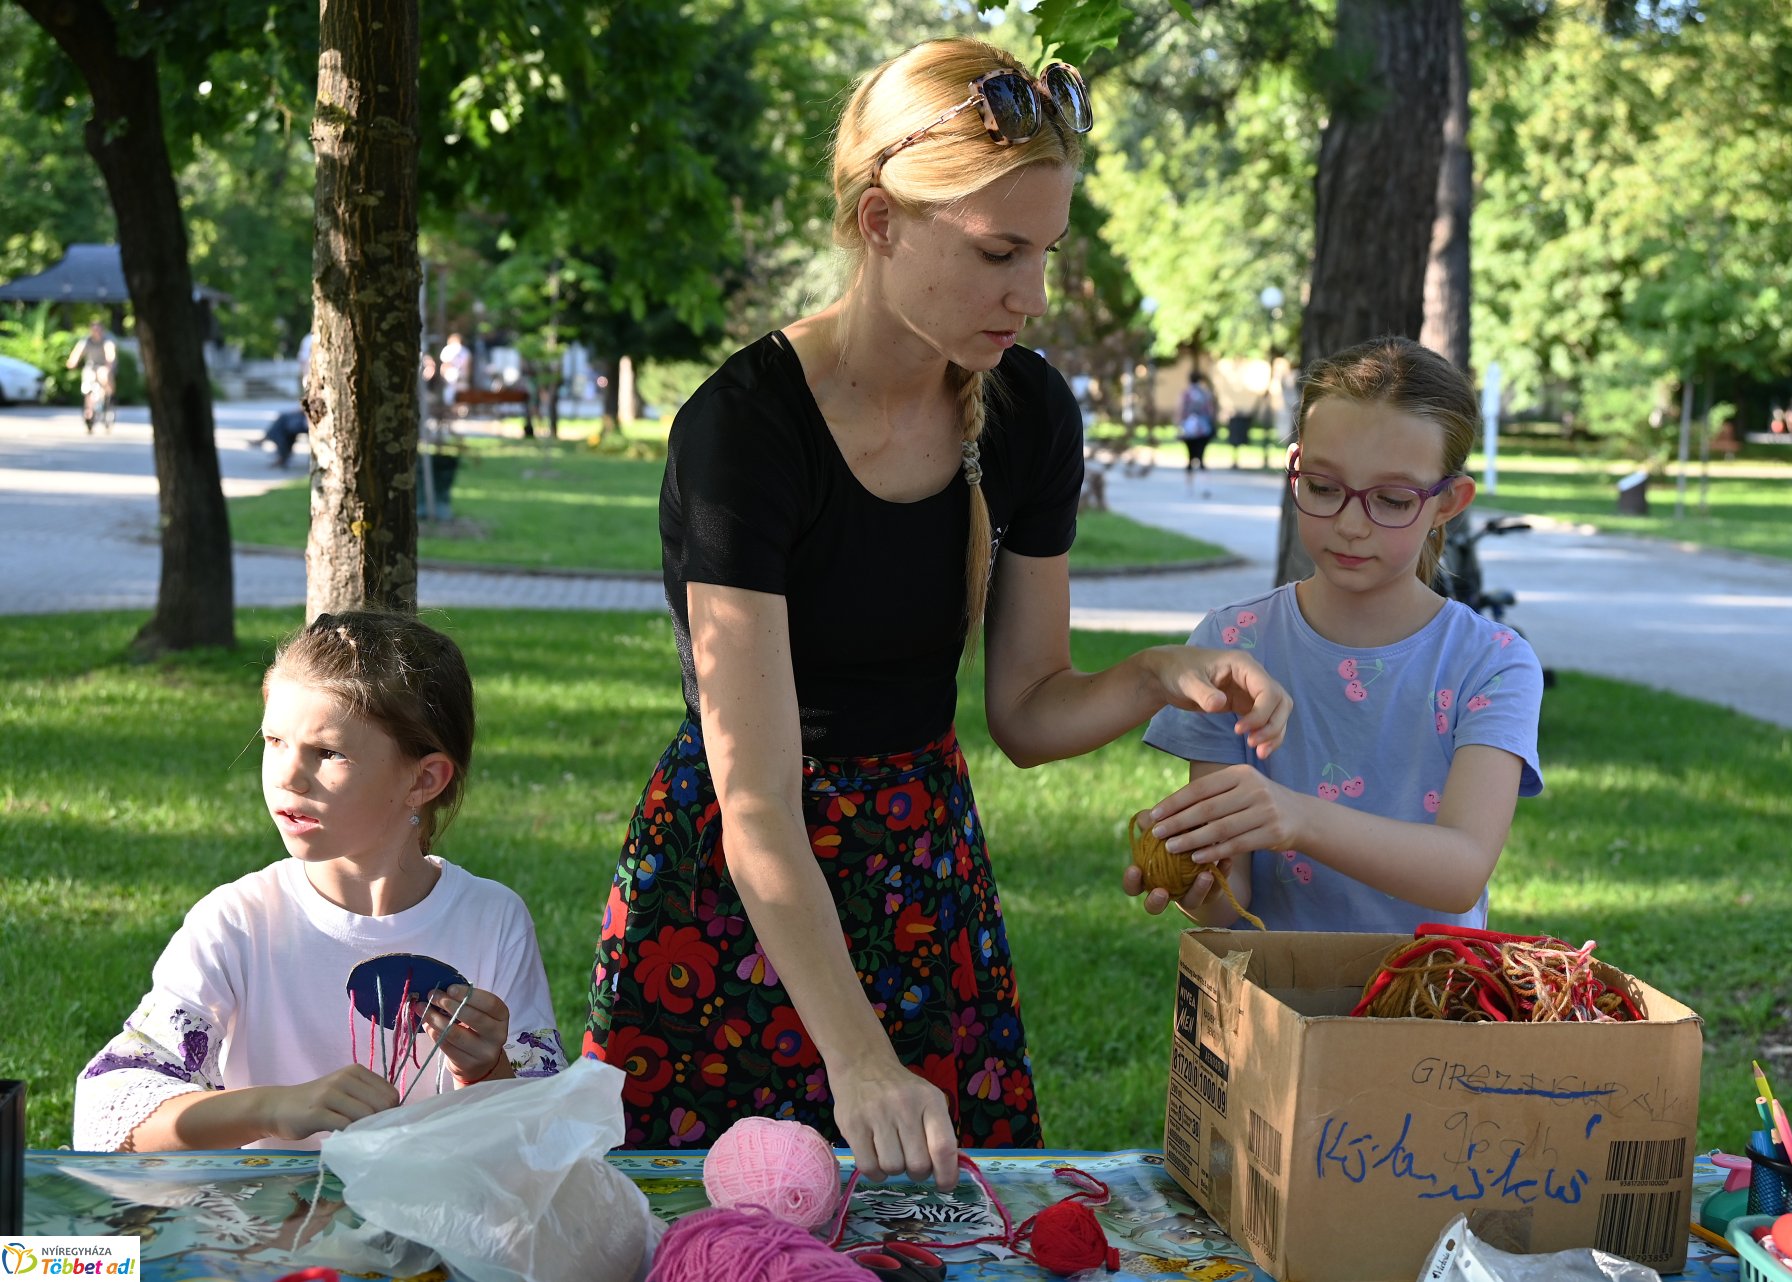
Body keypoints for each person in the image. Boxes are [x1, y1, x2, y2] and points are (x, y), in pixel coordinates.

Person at [582, 36, 1289, 1188]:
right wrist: (859, 1060)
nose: (1032, 296)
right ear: (879, 221)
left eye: (1047, 255)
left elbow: (1026, 710)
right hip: (740, 894)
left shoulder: (1028, 414)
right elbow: (755, 795)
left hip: (921, 872)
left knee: (946, 1237)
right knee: (708, 1224)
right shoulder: (744, 430)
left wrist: (1162, 670)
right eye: (999, 252)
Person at [72, 611, 566, 1153]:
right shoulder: (238, 923)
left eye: (327, 753)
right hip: (264, 1233)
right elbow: (107, 1112)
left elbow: (549, 1140)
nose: (287, 775)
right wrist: (276, 1107)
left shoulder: (492, 921)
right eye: (274, 741)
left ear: (424, 779)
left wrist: (487, 1071)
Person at [1124, 336, 1544, 937]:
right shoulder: (1231, 643)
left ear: (1449, 502)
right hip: (1271, 1006)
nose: (1349, 524)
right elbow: (1230, 898)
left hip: (1426, 1004)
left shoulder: (1492, 664)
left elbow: (1461, 870)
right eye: (1322, 487)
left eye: (1392, 500)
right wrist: (1192, 880)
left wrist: (1297, 818)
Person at [65, 320, 117, 434]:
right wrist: (72, 362)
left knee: (104, 376)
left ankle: (108, 401)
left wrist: (109, 364)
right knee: (87, 385)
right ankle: (89, 410)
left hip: (103, 366)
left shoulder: (107, 341)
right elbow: (77, 353)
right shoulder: (86, 341)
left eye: (98, 330)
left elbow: (110, 354)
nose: (96, 332)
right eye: (94, 330)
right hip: (91, 367)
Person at [1178, 370, 1217, 492]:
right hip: (1203, 430)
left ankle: (1189, 488)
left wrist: (1180, 426)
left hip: (1189, 430)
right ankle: (1205, 487)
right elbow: (1211, 412)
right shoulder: (1206, 394)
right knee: (1201, 458)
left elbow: (1181, 411)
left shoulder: (1186, 394)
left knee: (1190, 458)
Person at [438, 332, 472, 408]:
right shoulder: (465, 351)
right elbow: (468, 365)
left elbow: (445, 364)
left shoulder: (447, 349)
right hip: (463, 376)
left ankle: (453, 410)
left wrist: (442, 375)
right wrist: (468, 376)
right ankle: (461, 409)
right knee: (462, 394)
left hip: (450, 376)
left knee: (451, 395)